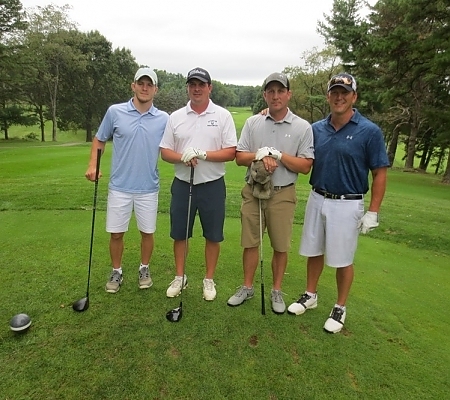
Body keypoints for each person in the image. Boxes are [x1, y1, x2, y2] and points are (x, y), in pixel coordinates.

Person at [287, 73, 390, 333]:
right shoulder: (316, 129)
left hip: (348, 202)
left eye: (345, 92)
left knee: (343, 259)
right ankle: (310, 295)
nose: (339, 97)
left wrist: (373, 211)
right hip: (318, 196)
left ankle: (340, 306)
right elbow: (292, 135)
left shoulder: (369, 131)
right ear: (328, 96)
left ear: (354, 96)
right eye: (335, 92)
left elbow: (380, 172)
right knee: (314, 250)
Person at [227, 72, 314, 314]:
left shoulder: (301, 127)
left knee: (280, 246)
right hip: (253, 191)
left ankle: (276, 290)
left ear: (288, 94)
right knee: (250, 243)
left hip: (283, 193)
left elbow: (306, 166)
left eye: (280, 91)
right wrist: (260, 155)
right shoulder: (254, 123)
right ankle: (247, 287)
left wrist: (278, 156)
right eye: (270, 91)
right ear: (265, 94)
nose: (275, 96)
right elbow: (239, 157)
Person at [85, 67, 169, 294]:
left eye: (149, 84)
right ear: (133, 86)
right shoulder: (115, 112)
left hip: (148, 187)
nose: (144, 87)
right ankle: (117, 271)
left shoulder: (164, 119)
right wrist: (94, 164)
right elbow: (99, 140)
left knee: (147, 232)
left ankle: (144, 268)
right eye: (140, 83)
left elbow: (181, 135)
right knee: (116, 233)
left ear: (155, 89)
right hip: (119, 186)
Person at [159, 67, 237, 301]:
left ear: (209, 88)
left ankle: (209, 279)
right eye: (192, 84)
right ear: (188, 88)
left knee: (213, 235)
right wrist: (182, 156)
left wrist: (203, 154)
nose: (196, 88)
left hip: (212, 185)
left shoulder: (222, 116)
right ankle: (180, 276)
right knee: (180, 234)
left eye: (201, 84)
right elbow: (165, 151)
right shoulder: (176, 117)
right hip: (183, 184)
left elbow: (231, 152)